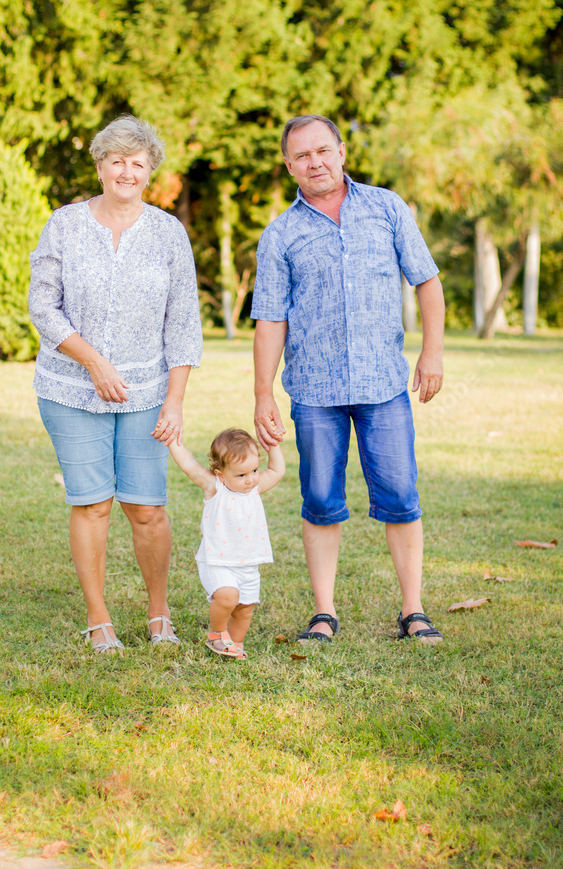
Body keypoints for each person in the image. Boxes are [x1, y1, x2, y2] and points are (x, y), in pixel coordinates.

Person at [251, 114, 445, 644]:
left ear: (340, 150)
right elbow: (270, 319)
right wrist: (262, 392)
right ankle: (323, 613)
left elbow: (427, 281)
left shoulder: (386, 208)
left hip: (385, 386)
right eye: (301, 156)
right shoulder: (281, 234)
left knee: (402, 498)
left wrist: (432, 352)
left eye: (322, 150)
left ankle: (413, 611)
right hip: (314, 392)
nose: (314, 162)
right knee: (319, 500)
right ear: (289, 165)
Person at [29, 115, 202, 655]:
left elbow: (183, 324)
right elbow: (43, 307)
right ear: (100, 166)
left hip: (147, 394)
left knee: (147, 507)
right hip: (68, 390)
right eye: (117, 161)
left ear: (149, 171)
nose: (127, 171)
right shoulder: (64, 224)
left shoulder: (169, 233)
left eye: (137, 162)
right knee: (93, 504)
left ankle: (158, 613)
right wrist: (95, 363)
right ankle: (99, 619)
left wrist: (174, 402)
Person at [169, 429, 285, 659]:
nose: (250, 478)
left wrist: (273, 444)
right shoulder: (215, 488)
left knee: (245, 608)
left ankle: (234, 643)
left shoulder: (254, 489)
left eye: (254, 470)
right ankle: (216, 634)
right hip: (218, 561)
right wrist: (172, 440)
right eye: (241, 475)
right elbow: (189, 464)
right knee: (228, 596)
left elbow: (277, 470)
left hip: (248, 563)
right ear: (220, 474)